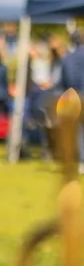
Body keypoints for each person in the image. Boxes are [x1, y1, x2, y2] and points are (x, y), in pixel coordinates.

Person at [59, 30, 84, 173]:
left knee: (78, 130)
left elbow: (64, 80)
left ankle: (81, 161)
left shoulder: (67, 58)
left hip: (75, 96)